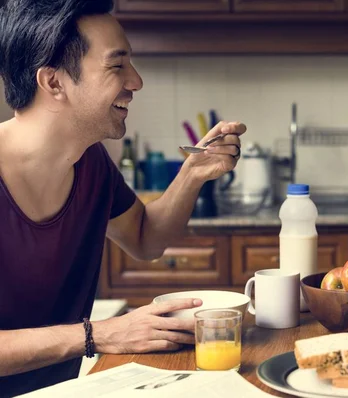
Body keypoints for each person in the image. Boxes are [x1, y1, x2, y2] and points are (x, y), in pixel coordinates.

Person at [0, 0, 245, 395]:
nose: (136, 81)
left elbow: (145, 238)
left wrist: (194, 173)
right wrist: (97, 335)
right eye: (117, 65)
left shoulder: (90, 161)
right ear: (54, 82)